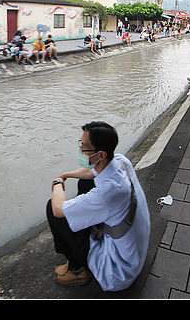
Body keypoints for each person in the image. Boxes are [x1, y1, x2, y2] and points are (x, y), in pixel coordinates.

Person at [47, 121, 150, 290]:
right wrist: (65, 175)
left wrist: (57, 183)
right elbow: (89, 173)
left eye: (85, 147)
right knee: (85, 183)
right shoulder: (119, 161)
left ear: (101, 154)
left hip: (118, 271)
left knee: (52, 208)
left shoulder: (107, 193)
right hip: (134, 250)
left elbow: (58, 210)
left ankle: (77, 269)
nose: (81, 149)